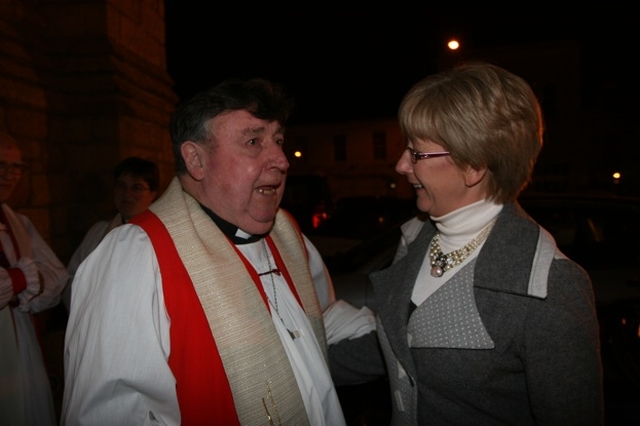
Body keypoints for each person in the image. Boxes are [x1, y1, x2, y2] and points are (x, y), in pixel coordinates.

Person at [63, 79, 374, 425]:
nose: (282, 160)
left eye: (279, 140)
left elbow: (313, 320)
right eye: (254, 141)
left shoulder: (286, 234)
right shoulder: (136, 256)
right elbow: (115, 413)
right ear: (195, 159)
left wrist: (401, 334)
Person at [332, 63, 604, 425]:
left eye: (416, 153)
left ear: (474, 165)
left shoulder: (548, 286)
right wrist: (292, 364)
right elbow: (398, 346)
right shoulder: (415, 239)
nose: (400, 165)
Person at [0, 132, 69, 426]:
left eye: (16, 167)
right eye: (0, 164)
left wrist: (27, 284)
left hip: (23, 340)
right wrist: (20, 280)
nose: (9, 175)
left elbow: (56, 276)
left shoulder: (18, 221)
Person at [62, 156, 159, 311]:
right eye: (121, 186)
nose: (127, 194)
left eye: (137, 188)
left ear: (153, 194)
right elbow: (72, 279)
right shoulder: (98, 232)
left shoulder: (161, 237)